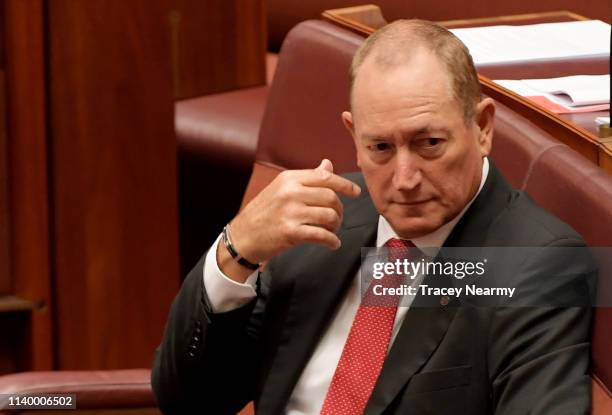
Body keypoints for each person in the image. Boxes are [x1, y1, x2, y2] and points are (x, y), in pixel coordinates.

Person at [152, 20, 595, 414]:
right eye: (380, 148)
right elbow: (187, 400)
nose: (404, 179)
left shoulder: (536, 265)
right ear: (353, 135)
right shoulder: (322, 222)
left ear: (481, 127)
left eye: (429, 143)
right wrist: (237, 248)